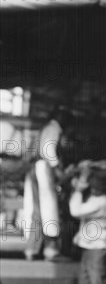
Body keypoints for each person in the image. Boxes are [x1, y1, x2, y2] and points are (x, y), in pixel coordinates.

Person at [23, 105, 73, 260]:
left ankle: (32, 249)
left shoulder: (47, 127)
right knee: (49, 209)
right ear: (59, 116)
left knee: (38, 212)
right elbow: (48, 150)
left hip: (37, 169)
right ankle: (51, 251)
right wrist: (58, 168)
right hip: (44, 170)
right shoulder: (53, 128)